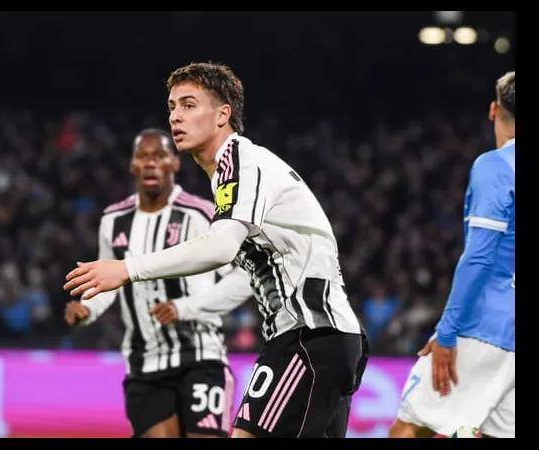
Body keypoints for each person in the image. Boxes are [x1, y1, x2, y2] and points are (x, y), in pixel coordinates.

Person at [64, 62, 368, 438]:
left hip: (309, 337)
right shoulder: (234, 171)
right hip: (328, 337)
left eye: (189, 105)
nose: (175, 116)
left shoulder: (239, 159)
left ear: (223, 114)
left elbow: (221, 247)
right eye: (172, 106)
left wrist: (127, 269)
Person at [65, 128, 249, 438]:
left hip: (200, 356)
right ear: (133, 165)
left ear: (174, 163)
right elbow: (108, 282)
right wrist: (87, 309)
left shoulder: (200, 213)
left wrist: (186, 307)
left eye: (160, 155)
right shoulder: (113, 219)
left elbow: (245, 275)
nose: (151, 163)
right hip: (144, 365)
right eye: (143, 156)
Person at [388, 71, 515, 439]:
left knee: (411, 427)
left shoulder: (496, 166)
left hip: (485, 325)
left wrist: (447, 333)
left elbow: (479, 257)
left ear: (493, 110)